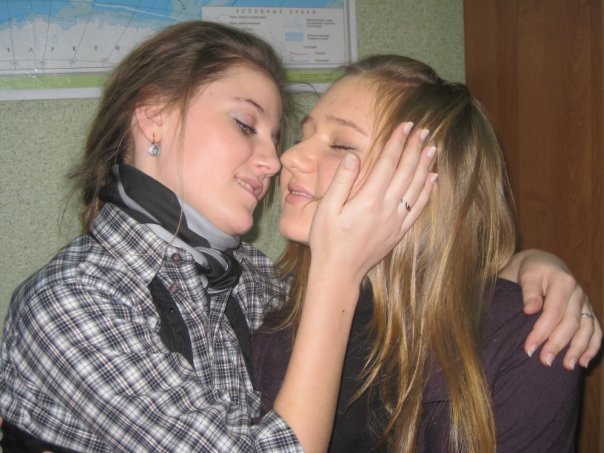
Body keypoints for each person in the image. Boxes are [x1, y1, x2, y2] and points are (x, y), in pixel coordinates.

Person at [0, 21, 597, 452]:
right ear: (154, 117)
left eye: (329, 143)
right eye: (245, 124)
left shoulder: (247, 282)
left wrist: (527, 266)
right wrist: (337, 271)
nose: (279, 159)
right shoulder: (72, 303)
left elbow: (442, 269)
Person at [252, 55, 597, 452]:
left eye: (341, 144)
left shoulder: (525, 339)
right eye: (302, 137)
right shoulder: (268, 321)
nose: (288, 158)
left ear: (429, 183)